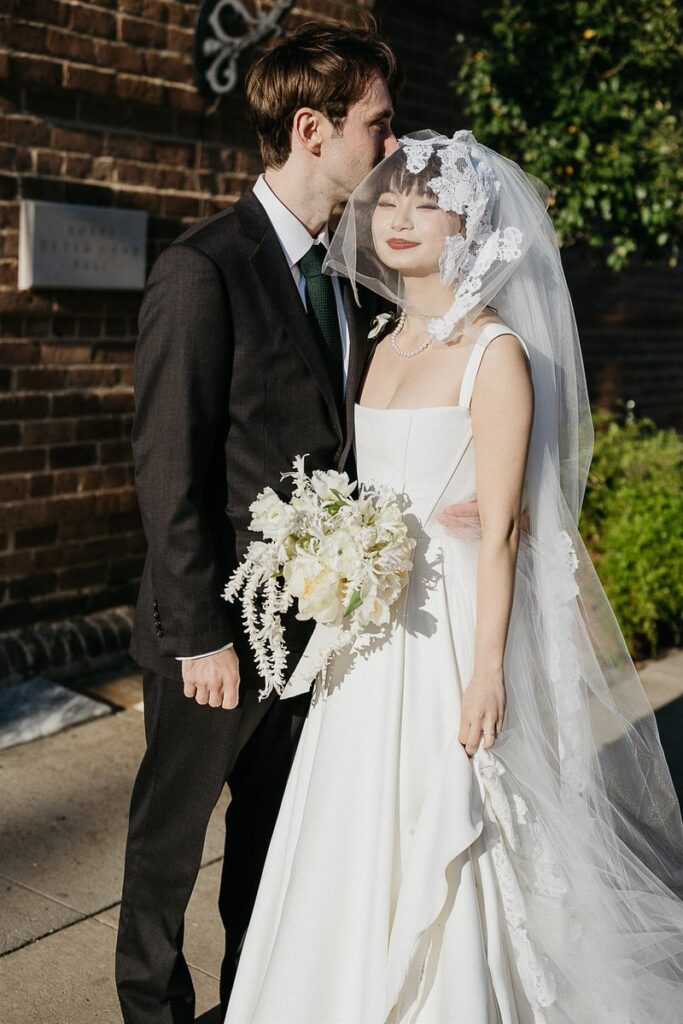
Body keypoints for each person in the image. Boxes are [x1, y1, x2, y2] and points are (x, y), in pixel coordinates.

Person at [224, 131, 683, 1023]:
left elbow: (506, 525)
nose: (396, 219)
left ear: (467, 224)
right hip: (365, 627)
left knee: (453, 821)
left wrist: (484, 673)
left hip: (450, 630)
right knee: (346, 817)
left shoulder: (496, 352)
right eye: (387, 202)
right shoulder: (382, 338)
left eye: (422, 205)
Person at [115, 20, 398, 1023]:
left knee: (271, 851)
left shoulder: (353, 278)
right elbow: (169, 464)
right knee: (168, 847)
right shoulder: (203, 269)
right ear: (312, 129)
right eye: (378, 124)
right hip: (217, 635)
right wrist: (197, 634)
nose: (391, 148)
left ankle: (251, 1004)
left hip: (313, 634)